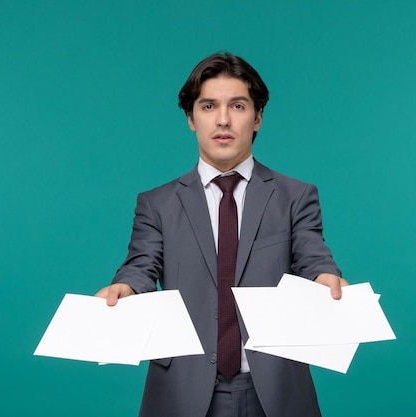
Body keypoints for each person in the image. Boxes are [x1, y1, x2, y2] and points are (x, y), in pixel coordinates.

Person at [95, 52, 348, 417]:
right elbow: (141, 265)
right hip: (181, 391)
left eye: (239, 106)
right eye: (209, 105)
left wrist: (325, 277)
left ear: (258, 117)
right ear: (191, 118)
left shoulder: (296, 196)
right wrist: (126, 288)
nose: (224, 119)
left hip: (276, 391)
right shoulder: (157, 203)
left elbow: (312, 254)